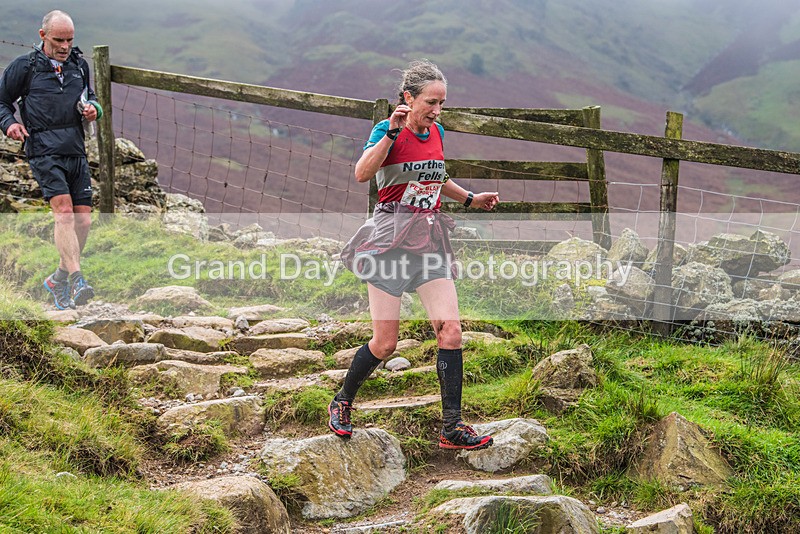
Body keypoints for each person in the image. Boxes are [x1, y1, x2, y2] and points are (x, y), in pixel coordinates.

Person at [330, 59, 500, 450]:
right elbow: (362, 173)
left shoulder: (437, 131)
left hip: (428, 238)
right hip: (389, 240)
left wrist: (471, 198)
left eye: (442, 103)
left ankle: (452, 427)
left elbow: (436, 177)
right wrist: (390, 131)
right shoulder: (385, 130)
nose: (437, 111)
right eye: (431, 102)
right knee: (385, 343)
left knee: (451, 331)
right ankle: (342, 401)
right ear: (408, 97)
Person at [0, 10, 102, 310]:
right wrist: (9, 124)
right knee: (64, 213)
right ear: (43, 36)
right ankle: (77, 279)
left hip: (75, 148)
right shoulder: (25, 67)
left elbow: (91, 97)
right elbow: (2, 101)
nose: (65, 46)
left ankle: (57, 278)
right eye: (59, 39)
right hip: (43, 148)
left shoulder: (78, 65)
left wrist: (95, 109)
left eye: (70, 39)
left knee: (83, 219)